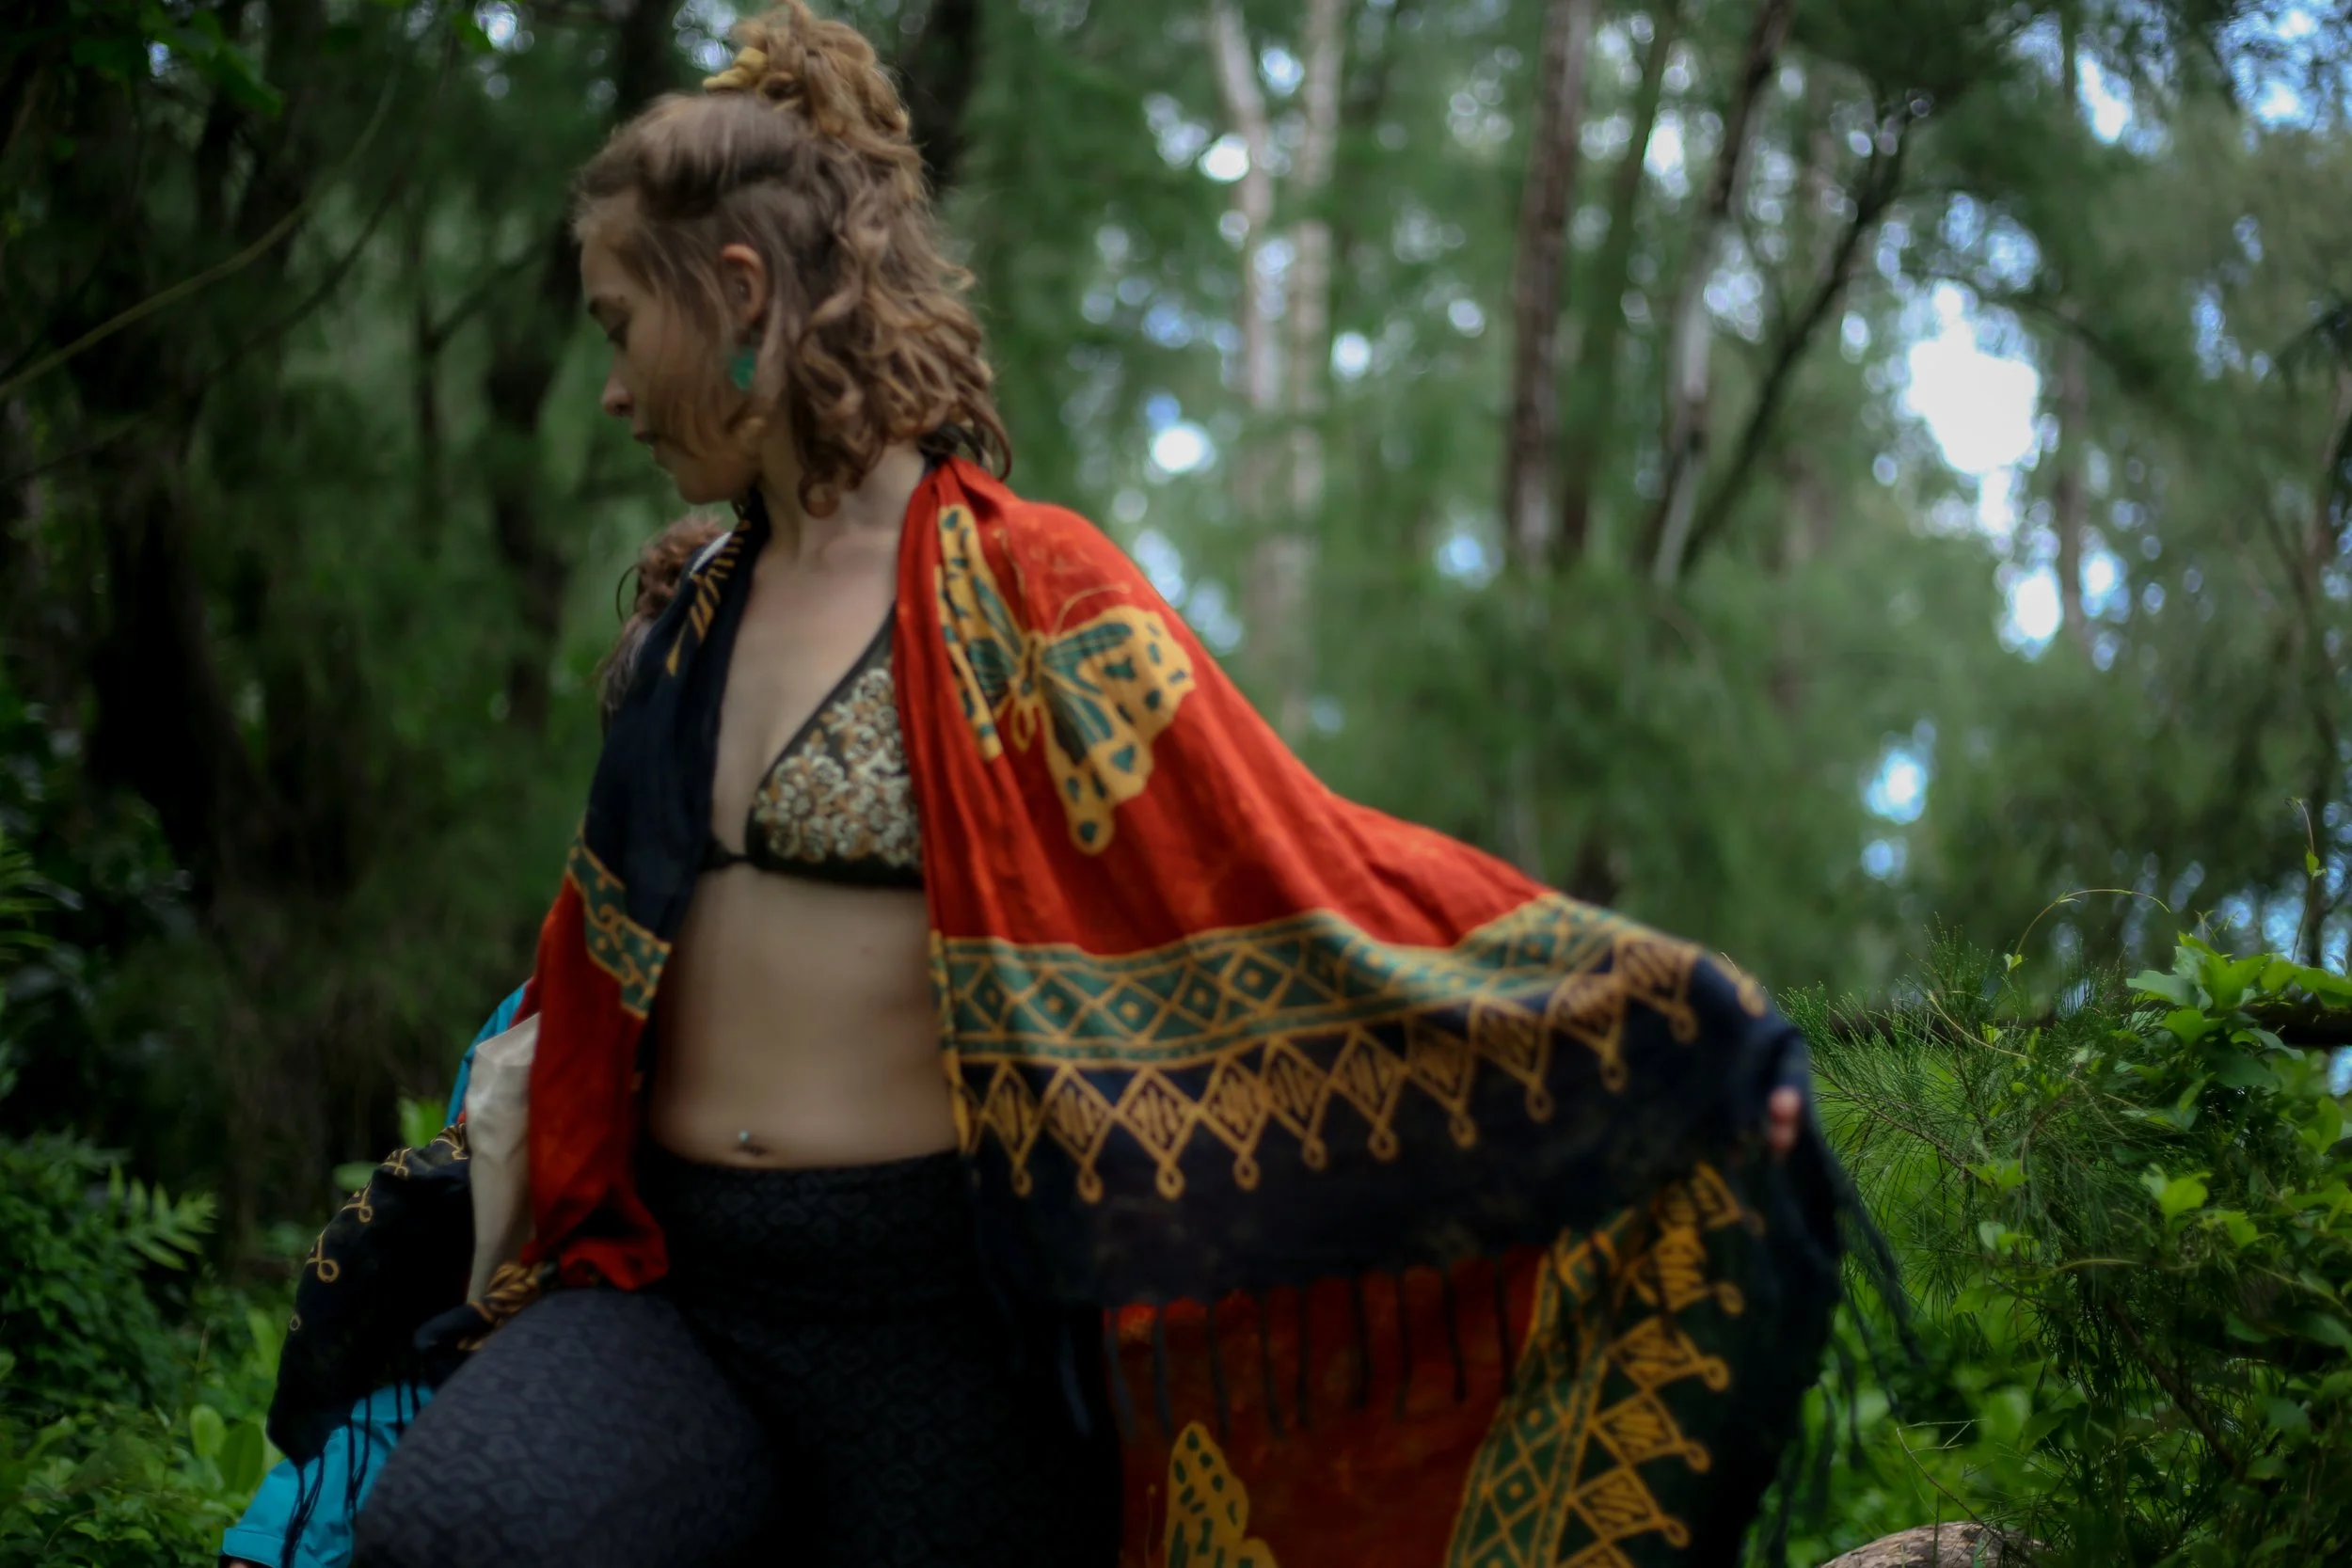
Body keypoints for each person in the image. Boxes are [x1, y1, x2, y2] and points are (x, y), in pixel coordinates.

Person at [261, 7, 1839, 1566]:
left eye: (620, 325)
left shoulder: (1030, 595)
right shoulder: (689, 619)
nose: (611, 386)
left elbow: (1305, 872)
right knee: (464, 1534)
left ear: (738, 291)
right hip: (670, 1290)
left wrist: (1670, 1029)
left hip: (941, 1326)